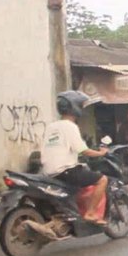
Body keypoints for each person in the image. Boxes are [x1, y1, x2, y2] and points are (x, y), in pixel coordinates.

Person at [41, 91, 109, 226]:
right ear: (75, 107)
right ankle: (90, 213)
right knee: (102, 180)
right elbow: (84, 151)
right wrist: (101, 153)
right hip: (66, 171)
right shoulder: (70, 126)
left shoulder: (51, 126)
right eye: (81, 105)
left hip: (48, 172)